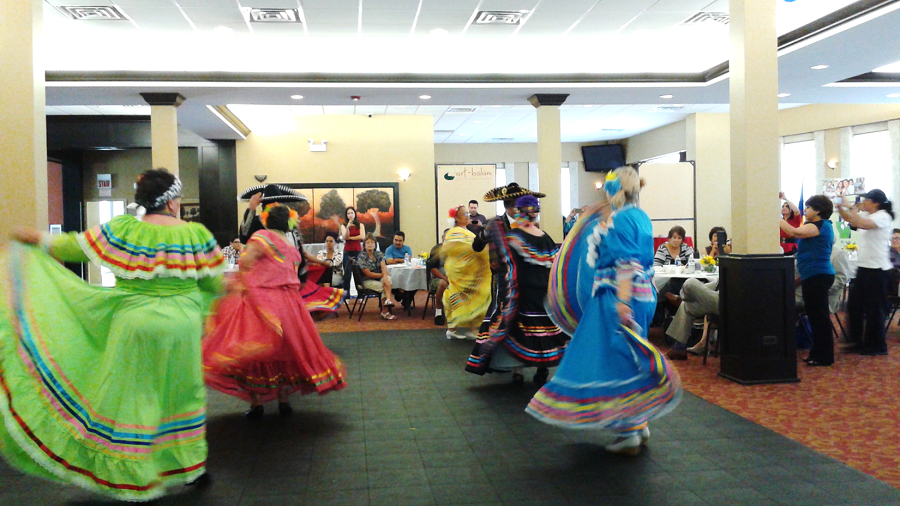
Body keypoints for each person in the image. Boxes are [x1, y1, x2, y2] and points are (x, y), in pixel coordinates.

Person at [0, 168, 224, 500]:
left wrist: (37, 239)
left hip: (134, 324)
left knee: (134, 395)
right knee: (183, 394)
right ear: (174, 202)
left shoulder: (122, 229)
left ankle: (134, 475)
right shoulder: (196, 234)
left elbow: (72, 246)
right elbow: (213, 281)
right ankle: (190, 466)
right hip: (182, 326)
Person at [527, 167, 682, 456]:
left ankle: (629, 431)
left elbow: (625, 263)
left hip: (617, 298)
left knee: (612, 360)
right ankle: (636, 423)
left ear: (613, 190)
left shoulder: (621, 219)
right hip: (644, 295)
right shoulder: (642, 216)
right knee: (629, 357)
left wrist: (621, 303)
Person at [203, 204, 346, 418]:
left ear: (266, 220)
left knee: (254, 347)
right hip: (289, 304)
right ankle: (283, 398)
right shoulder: (290, 245)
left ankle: (257, 401)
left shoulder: (262, 237)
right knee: (287, 349)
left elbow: (246, 261)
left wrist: (241, 271)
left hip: (263, 300)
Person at [465, 196, 567, 386]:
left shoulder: (513, 237)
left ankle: (518, 371)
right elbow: (556, 268)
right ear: (536, 213)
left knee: (515, 329)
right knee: (543, 331)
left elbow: (509, 269)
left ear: (519, 212)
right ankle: (541, 367)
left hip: (522, 294)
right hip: (544, 295)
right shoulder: (546, 238)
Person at [473, 182, 546, 344]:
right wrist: (484, 236)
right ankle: (501, 352)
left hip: (527, 279)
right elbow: (476, 246)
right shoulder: (493, 224)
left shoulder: (529, 225)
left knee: (527, 314)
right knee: (502, 312)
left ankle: (530, 354)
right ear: (511, 207)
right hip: (502, 278)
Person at [838, 189, 894, 356]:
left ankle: (877, 345)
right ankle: (856, 341)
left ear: (875, 203)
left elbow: (861, 223)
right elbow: (852, 221)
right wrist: (842, 208)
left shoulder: (883, 216)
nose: (863, 203)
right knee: (854, 306)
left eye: (866, 200)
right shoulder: (869, 216)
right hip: (865, 268)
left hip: (877, 269)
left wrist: (853, 209)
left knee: (874, 309)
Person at [781, 195, 836, 366]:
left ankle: (824, 356)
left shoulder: (821, 225)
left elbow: (793, 232)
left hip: (819, 276)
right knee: (815, 316)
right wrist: (797, 281)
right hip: (813, 276)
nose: (805, 210)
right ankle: (817, 353)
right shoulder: (813, 226)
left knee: (819, 317)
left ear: (818, 210)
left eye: (809, 207)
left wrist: (773, 215)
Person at [441, 206, 492, 340]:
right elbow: (458, 249)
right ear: (456, 218)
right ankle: (470, 328)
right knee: (474, 295)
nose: (468, 215)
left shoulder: (465, 231)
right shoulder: (455, 232)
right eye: (465, 214)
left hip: (467, 269)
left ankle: (458, 328)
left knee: (463, 296)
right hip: (460, 270)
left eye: (468, 213)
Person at [357, 232, 399, 320]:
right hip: (366, 281)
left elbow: (383, 266)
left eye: (372, 242)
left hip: (378, 278)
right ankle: (385, 311)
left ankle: (387, 300)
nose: (370, 244)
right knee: (384, 285)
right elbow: (368, 274)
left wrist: (384, 276)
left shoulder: (378, 254)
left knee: (388, 279)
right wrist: (383, 275)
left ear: (375, 245)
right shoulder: (361, 256)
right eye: (367, 242)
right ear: (364, 245)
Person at [384, 231, 415, 309]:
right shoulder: (389, 249)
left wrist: (395, 259)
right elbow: (389, 261)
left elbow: (409, 260)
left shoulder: (407, 248)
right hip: (393, 273)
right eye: (396, 240)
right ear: (393, 240)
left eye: (400, 240)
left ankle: (406, 302)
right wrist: (402, 260)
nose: (397, 242)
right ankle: (399, 295)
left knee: (414, 282)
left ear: (403, 241)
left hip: (406, 272)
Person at [340, 206, 365, 293]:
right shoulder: (343, 226)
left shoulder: (360, 225)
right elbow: (345, 236)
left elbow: (362, 236)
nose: (350, 215)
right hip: (347, 251)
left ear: (355, 214)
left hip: (358, 250)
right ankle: (347, 295)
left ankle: (361, 294)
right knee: (347, 274)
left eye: (352, 213)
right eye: (348, 213)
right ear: (346, 215)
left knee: (358, 273)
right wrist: (348, 227)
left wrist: (349, 238)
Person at [427, 230, 450, 325]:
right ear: (443, 238)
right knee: (442, 283)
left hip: (455, 279)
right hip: (439, 279)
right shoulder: (437, 249)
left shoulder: (458, 250)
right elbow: (432, 269)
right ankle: (439, 311)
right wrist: (446, 279)